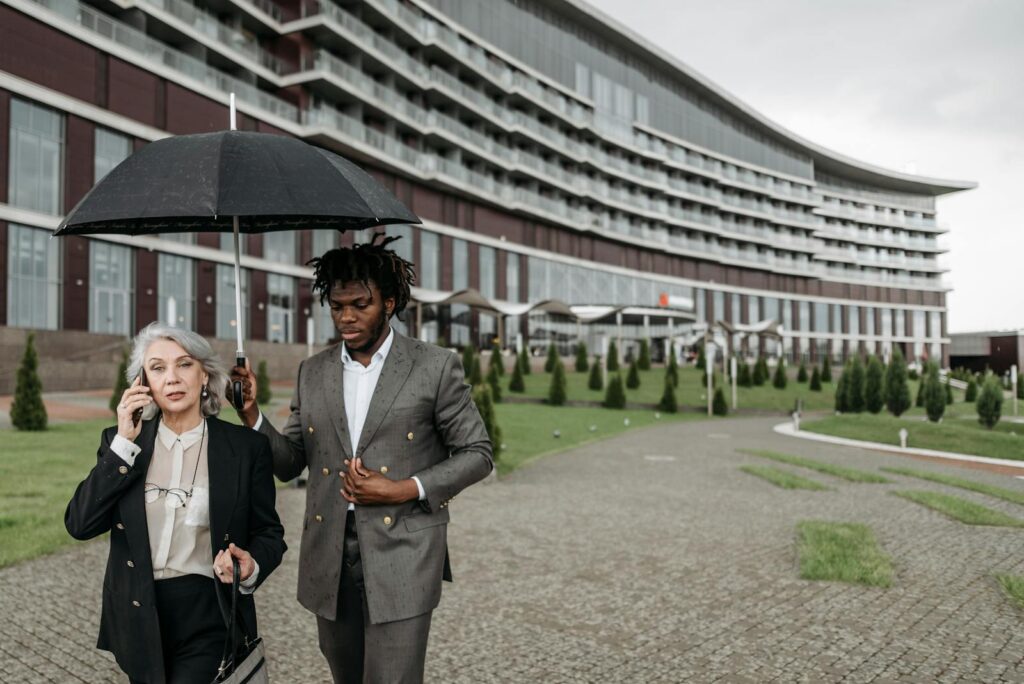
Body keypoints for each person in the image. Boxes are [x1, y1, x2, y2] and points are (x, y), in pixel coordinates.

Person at [229, 234, 493, 684]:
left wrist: (403, 488)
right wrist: (251, 413)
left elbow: (478, 453)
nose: (346, 317)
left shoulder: (434, 366)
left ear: (389, 303)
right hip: (329, 556)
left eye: (360, 304)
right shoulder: (312, 371)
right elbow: (291, 462)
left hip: (404, 553)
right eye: (336, 306)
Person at [66, 323, 286, 684]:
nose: (172, 378)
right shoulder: (122, 445)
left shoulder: (246, 448)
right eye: (157, 368)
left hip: (209, 611)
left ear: (204, 376)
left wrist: (251, 565)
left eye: (184, 365)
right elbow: (80, 524)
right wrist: (123, 442)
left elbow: (269, 532)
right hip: (138, 611)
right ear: (143, 383)